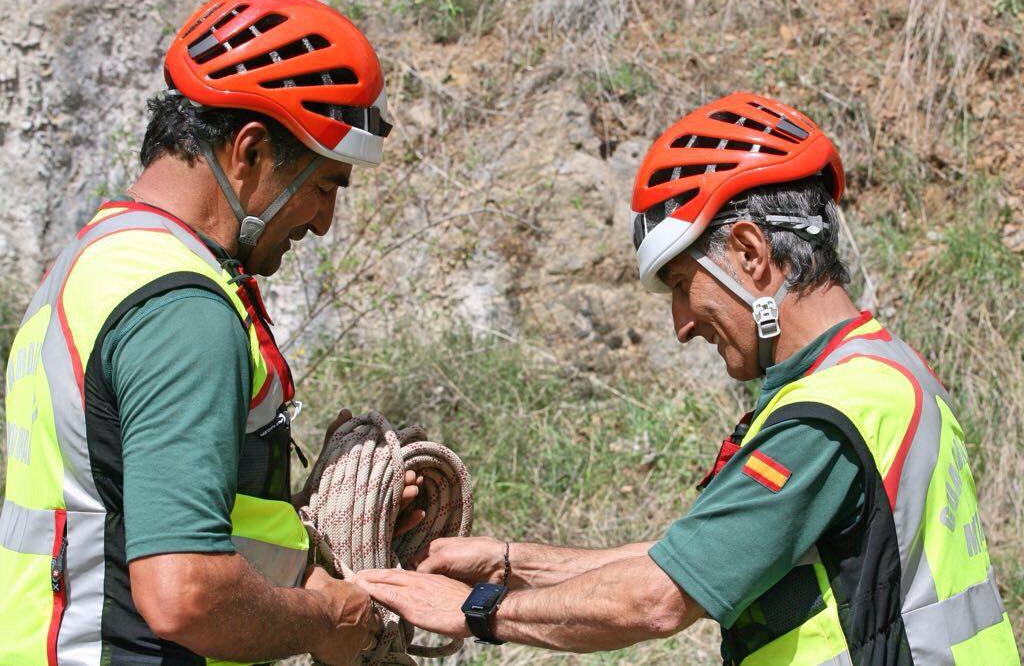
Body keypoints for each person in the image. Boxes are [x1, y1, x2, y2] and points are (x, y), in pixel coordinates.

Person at [354, 93, 1021, 664]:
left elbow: (658, 597)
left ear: (752, 255)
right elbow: (692, 557)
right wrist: (509, 561)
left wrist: (476, 609)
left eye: (681, 285)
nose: (680, 324)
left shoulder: (826, 416)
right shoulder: (879, 370)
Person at [0, 0, 421, 665]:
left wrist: (317, 529)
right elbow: (184, 593)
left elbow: (130, 505)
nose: (322, 221)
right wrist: (324, 618)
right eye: (324, 184)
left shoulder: (97, 261)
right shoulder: (182, 312)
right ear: (248, 152)